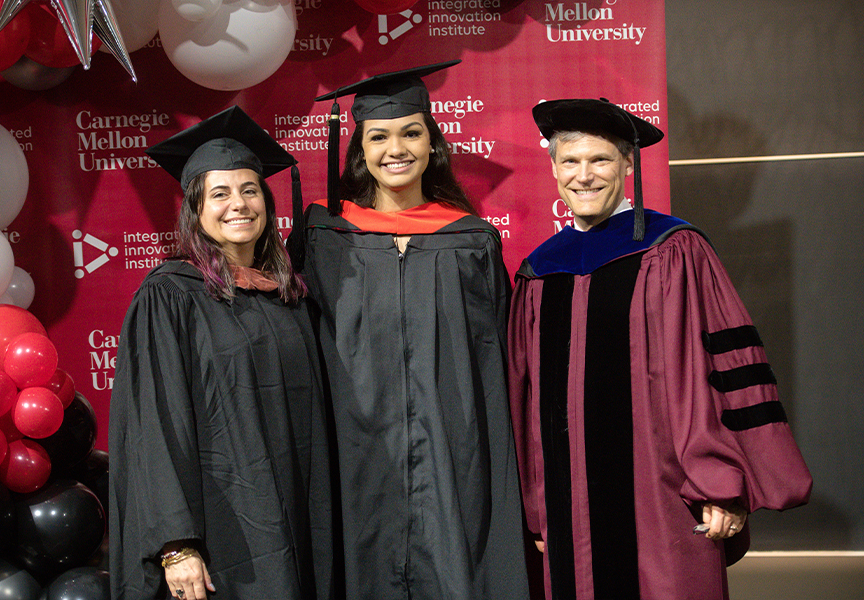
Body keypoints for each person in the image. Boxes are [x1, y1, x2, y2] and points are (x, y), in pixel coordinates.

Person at [507, 98, 813, 600]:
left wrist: (719, 483)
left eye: (600, 160)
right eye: (570, 161)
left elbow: (718, 370)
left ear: (629, 163)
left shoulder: (674, 250)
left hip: (664, 493)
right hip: (569, 506)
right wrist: (539, 504)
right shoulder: (540, 271)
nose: (584, 175)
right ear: (554, 169)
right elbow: (527, 402)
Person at [303, 61, 530, 599]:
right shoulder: (326, 238)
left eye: (411, 132)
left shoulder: (470, 240)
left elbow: (498, 359)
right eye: (378, 136)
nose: (395, 148)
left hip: (453, 449)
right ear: (360, 149)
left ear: (432, 144)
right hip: (355, 447)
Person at [108, 106, 332, 600]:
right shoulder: (170, 296)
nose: (239, 204)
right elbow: (154, 425)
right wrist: (176, 543)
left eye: (250, 190)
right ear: (196, 208)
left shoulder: (289, 296)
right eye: (220, 193)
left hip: (296, 519)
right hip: (221, 534)